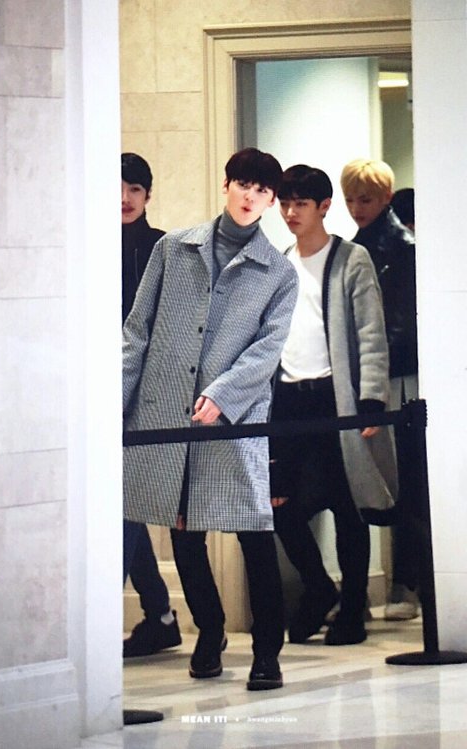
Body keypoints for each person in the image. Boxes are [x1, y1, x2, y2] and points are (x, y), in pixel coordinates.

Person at [122, 148, 299, 690]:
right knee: (183, 531)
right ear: (226, 186)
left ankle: (267, 652)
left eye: (262, 191)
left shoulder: (278, 272)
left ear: (270, 201)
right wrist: (116, 405)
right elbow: (137, 331)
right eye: (243, 184)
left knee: (253, 533)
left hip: (234, 419)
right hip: (168, 411)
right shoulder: (173, 249)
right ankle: (210, 630)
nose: (250, 197)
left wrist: (224, 394)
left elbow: (267, 349)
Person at [270, 164, 397, 646]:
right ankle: (319, 588)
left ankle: (353, 609)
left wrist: (371, 400)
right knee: (281, 506)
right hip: (289, 400)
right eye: (285, 203)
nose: (290, 212)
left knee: (348, 506)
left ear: (324, 207)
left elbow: (370, 333)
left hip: (336, 398)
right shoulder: (281, 263)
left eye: (300, 203)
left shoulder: (351, 259)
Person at [340, 159, 419, 621]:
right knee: (380, 480)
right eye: (351, 199)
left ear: (386, 198)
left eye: (365, 199)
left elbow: (400, 323)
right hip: (378, 376)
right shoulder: (360, 248)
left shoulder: (401, 249)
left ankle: (407, 582)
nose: (356, 208)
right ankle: (400, 584)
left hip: (397, 377)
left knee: (405, 478)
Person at [121, 152, 181, 657]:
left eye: (134, 189)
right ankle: (159, 613)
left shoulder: (163, 247)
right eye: (117, 188)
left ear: (148, 195)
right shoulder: (86, 243)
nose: (124, 198)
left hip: (146, 391)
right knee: (122, 502)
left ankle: (151, 613)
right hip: (99, 384)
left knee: (124, 501)